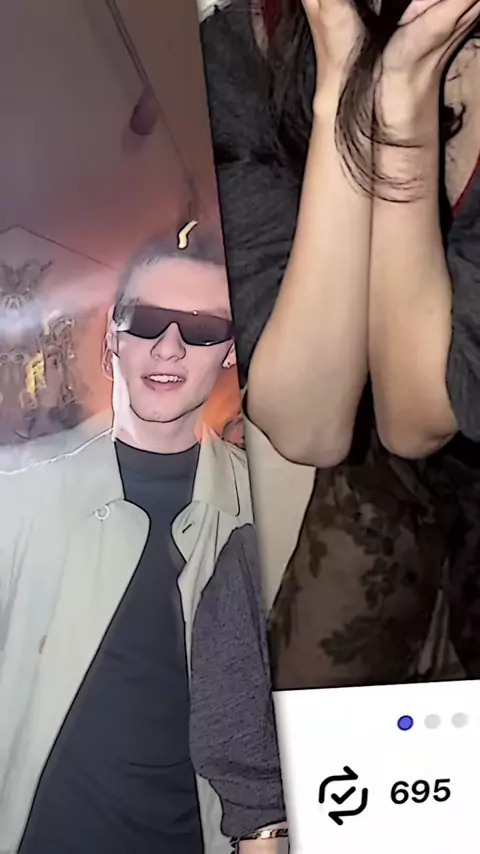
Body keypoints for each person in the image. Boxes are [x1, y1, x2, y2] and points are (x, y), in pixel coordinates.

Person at [200, 0, 480, 688]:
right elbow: (308, 424)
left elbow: (425, 409)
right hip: (374, 466)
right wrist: (347, 86)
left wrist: (406, 95)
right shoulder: (243, 51)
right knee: (310, 710)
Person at [0, 220, 287, 853]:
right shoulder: (18, 502)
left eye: (202, 328)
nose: (170, 346)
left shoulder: (267, 512)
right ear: (113, 335)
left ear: (230, 350)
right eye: (148, 320)